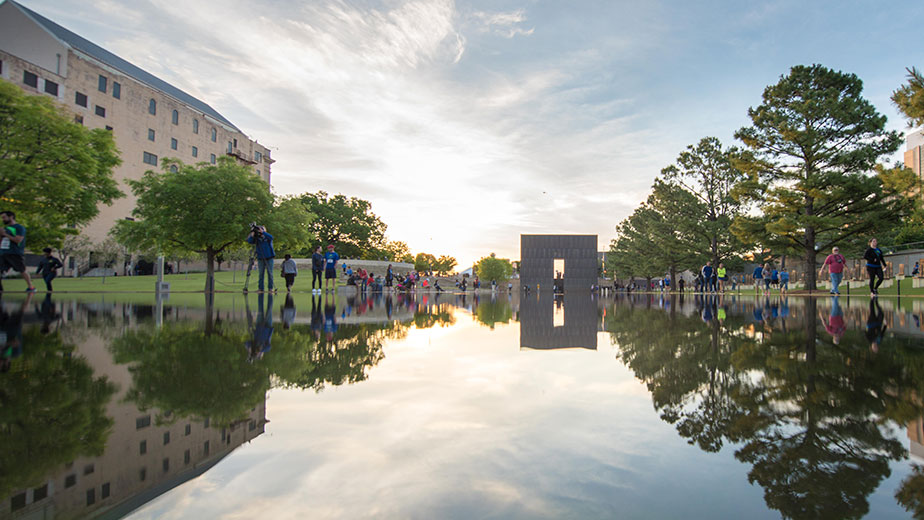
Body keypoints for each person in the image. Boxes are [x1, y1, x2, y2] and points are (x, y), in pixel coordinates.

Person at [0, 211, 36, 292]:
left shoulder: (19, 228)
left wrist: (5, 234)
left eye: (4, 217)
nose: (3, 220)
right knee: (1, 270)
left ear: (11, 217)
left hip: (15, 253)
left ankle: (31, 287)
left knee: (21, 269)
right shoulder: (4, 228)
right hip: (3, 252)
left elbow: (18, 240)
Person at [246, 224, 275, 292]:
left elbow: (271, 237)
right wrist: (252, 234)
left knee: (270, 273)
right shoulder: (257, 238)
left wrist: (263, 232)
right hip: (260, 257)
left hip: (269, 257)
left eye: (261, 229)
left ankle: (270, 288)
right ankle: (260, 288)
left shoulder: (267, 237)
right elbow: (250, 241)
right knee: (261, 274)